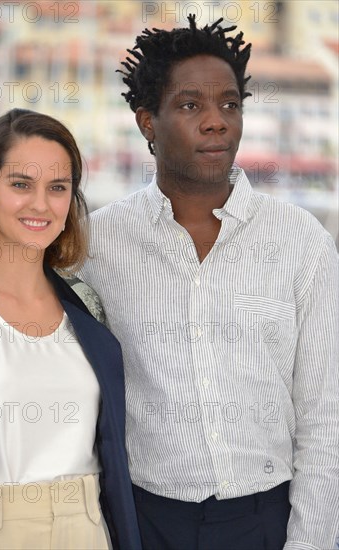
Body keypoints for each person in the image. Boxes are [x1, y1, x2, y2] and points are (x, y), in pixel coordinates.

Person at [77, 16, 339, 550]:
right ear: (148, 121)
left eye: (230, 104)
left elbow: (325, 416)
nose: (217, 121)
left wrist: (310, 541)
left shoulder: (300, 241)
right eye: (191, 105)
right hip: (142, 520)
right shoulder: (95, 246)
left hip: (268, 519)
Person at [0, 108, 142, 550]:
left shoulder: (86, 304)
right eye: (20, 185)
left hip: (86, 529)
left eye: (57, 188)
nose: (40, 204)